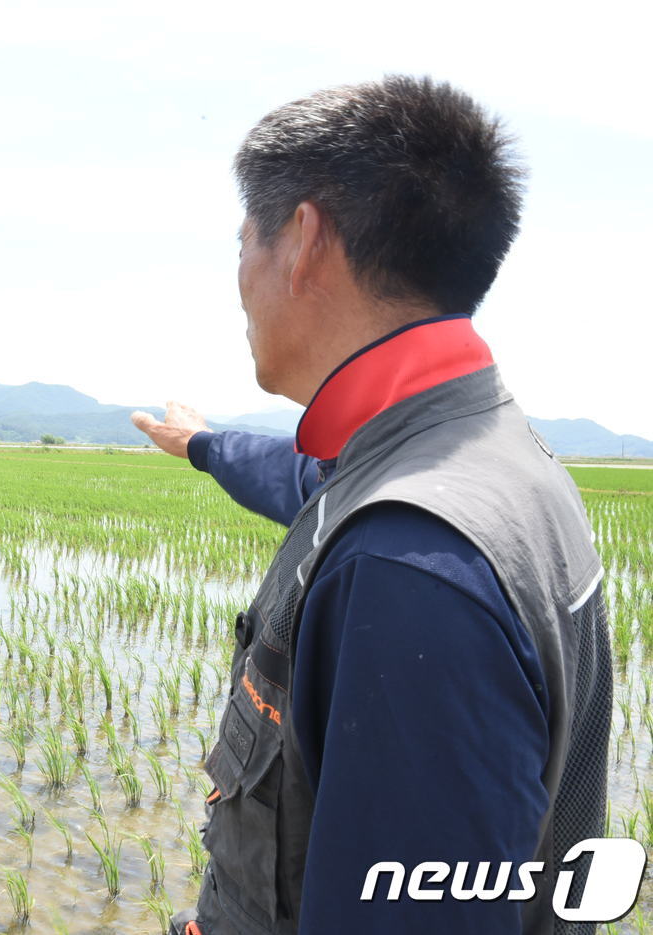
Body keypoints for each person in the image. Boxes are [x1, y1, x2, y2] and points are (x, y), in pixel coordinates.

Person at [132, 76, 611, 935]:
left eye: (244, 239)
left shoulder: (410, 572)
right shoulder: (472, 453)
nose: (237, 277)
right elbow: (309, 484)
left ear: (304, 240)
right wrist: (203, 446)